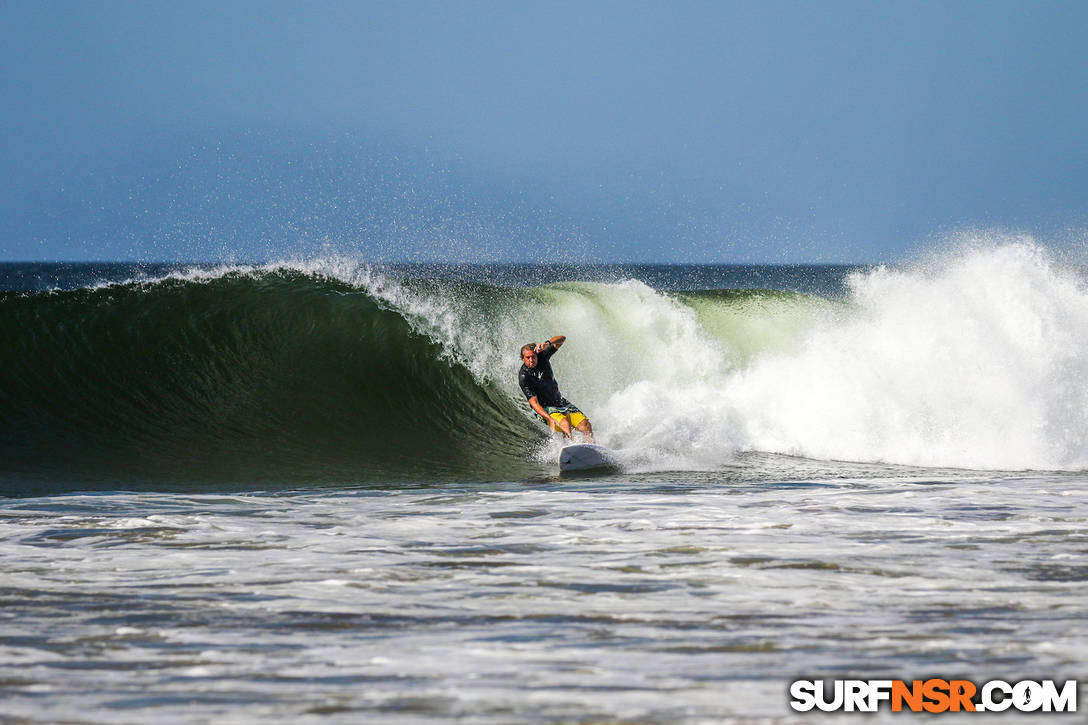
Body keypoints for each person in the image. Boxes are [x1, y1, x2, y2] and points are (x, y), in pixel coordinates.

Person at [518, 335, 594, 442]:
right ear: (523, 359)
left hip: (560, 402)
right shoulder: (524, 377)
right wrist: (549, 419)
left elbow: (562, 339)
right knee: (565, 424)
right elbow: (534, 403)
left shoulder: (543, 356)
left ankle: (592, 448)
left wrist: (547, 344)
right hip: (545, 408)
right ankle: (569, 450)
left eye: (533, 356)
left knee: (586, 425)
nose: (531, 360)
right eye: (528, 357)